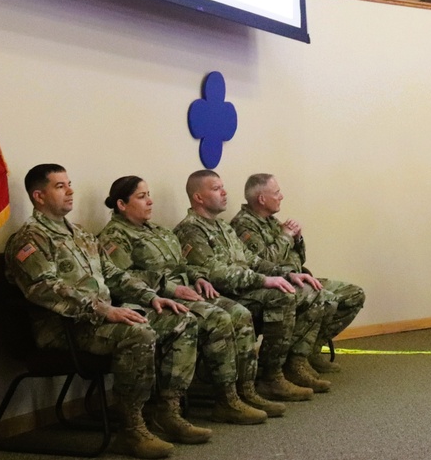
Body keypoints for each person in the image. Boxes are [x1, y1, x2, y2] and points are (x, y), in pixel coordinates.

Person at [5, 164, 207, 459]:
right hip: (66, 328)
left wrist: (151, 297)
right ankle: (131, 430)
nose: (71, 190)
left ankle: (168, 411)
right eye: (60, 186)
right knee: (138, 334)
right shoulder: (29, 239)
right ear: (39, 196)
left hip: (101, 319)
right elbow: (44, 288)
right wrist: (102, 309)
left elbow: (114, 275)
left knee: (182, 320)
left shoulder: (81, 235)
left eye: (69, 183)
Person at [97, 175, 281, 421]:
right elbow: (122, 279)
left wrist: (197, 277)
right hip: (152, 301)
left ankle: (242, 391)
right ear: (121, 204)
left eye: (149, 195)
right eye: (142, 197)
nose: (150, 201)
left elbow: (182, 265)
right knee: (217, 318)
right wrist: (170, 288)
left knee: (239, 313)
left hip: (186, 291)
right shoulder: (114, 237)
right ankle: (195, 404)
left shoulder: (159, 231)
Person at [174, 170, 331, 400]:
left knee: (303, 290)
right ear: (198, 197)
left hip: (243, 289)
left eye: (223, 186)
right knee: (281, 297)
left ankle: (288, 367)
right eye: (216, 189)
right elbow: (218, 275)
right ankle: (269, 377)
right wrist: (264, 280)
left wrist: (286, 275)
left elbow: (253, 260)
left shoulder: (223, 228)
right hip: (224, 294)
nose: (225, 192)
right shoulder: (191, 230)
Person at [231, 173, 365, 374]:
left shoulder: (271, 221)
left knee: (354, 294)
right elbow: (262, 262)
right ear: (261, 199)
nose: (281, 196)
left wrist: (298, 238)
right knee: (323, 298)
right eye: (276, 192)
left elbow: (298, 259)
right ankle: (294, 361)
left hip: (297, 278)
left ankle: (310, 350)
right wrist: (286, 236)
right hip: (272, 285)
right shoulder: (244, 226)